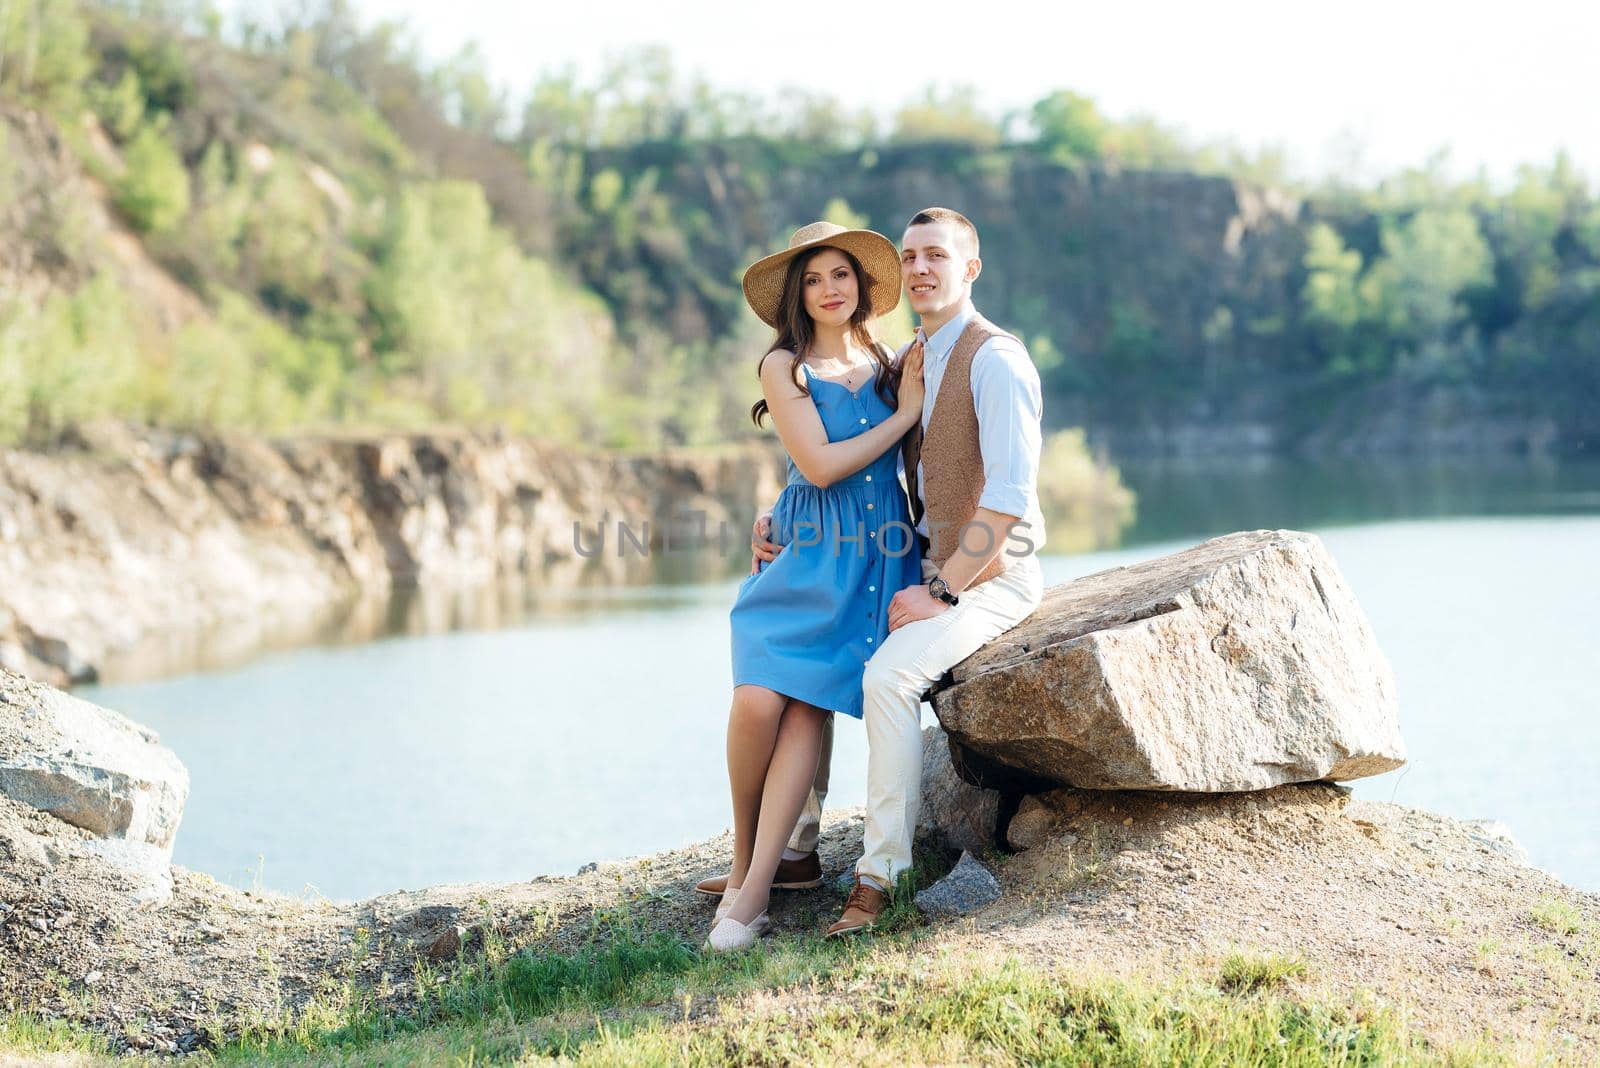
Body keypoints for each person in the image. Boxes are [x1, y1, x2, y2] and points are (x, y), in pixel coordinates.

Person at [746, 207, 1048, 938]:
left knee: (887, 679)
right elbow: (842, 457)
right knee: (808, 654)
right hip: (914, 557)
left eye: (936, 256)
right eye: (910, 257)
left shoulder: (996, 360)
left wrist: (942, 588)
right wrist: (782, 524)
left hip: (990, 574)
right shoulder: (910, 355)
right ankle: (791, 848)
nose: (920, 269)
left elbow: (1009, 501)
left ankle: (880, 877)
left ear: (969, 269)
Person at [706, 221, 926, 953]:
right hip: (807, 555)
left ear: (861, 286)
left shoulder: (889, 357)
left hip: (872, 558)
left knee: (806, 711)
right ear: (797, 296)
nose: (829, 289)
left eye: (841, 275)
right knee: (757, 700)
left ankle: (757, 890)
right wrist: (902, 417)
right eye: (813, 278)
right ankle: (744, 863)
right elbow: (824, 465)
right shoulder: (785, 365)